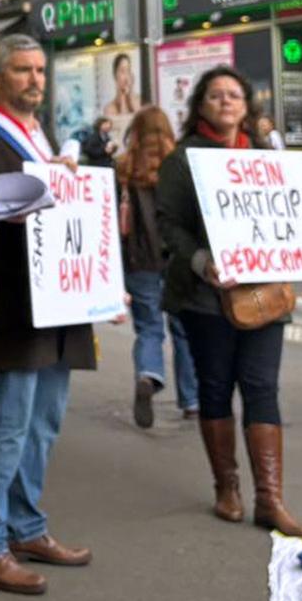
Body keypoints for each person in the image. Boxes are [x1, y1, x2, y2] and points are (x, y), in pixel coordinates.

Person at [0, 35, 96, 598]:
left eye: (40, 69)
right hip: (15, 301)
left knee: (43, 424)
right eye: (21, 70)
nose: (35, 79)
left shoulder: (40, 135)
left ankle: (26, 526)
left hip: (59, 302)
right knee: (10, 425)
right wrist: (14, 202)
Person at [155, 66, 302, 537]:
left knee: (262, 387)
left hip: (265, 294)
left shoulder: (266, 155)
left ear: (247, 105)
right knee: (216, 388)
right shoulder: (183, 160)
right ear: (201, 105)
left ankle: (271, 499)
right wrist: (201, 261)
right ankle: (228, 488)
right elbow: (168, 223)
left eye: (234, 95)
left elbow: (295, 212)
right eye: (216, 95)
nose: (226, 101)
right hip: (206, 297)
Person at [119, 106, 199, 428]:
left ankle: (148, 376)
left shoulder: (122, 169)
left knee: (149, 327)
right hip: (177, 258)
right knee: (183, 330)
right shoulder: (181, 165)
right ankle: (192, 400)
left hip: (139, 260)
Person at [104, 53, 139, 118]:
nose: (126, 77)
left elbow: (141, 121)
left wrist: (130, 92)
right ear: (115, 75)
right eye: (122, 71)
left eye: (128, 70)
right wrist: (122, 97)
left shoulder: (139, 100)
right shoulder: (109, 109)